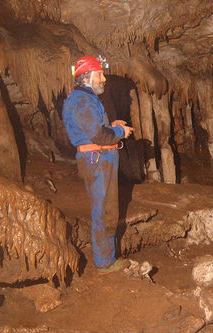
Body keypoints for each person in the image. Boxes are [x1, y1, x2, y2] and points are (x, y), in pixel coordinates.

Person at [62, 55, 134, 273]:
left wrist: (112, 125)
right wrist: (121, 132)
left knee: (106, 209)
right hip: (97, 161)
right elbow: (99, 137)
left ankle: (107, 257)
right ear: (86, 78)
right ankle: (105, 262)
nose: (104, 79)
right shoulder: (83, 100)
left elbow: (93, 130)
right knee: (104, 210)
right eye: (100, 75)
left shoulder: (85, 99)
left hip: (99, 160)